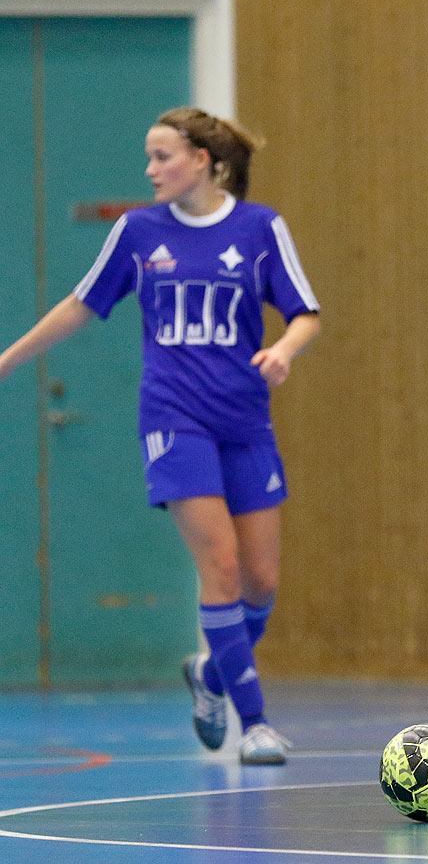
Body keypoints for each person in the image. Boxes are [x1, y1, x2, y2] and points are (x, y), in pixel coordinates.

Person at [0, 107, 320, 763]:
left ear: (203, 160)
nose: (150, 171)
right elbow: (82, 303)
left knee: (261, 579)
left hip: (245, 420)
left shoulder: (261, 228)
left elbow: (305, 314)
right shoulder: (138, 232)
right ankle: (253, 723)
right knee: (222, 567)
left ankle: (209, 674)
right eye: (148, 157)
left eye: (162, 156)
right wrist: (8, 358)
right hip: (175, 419)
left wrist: (285, 349)